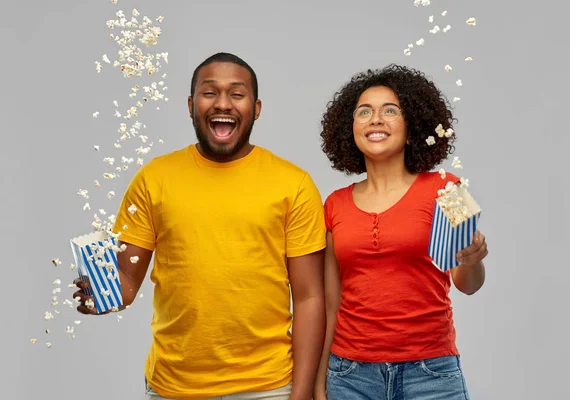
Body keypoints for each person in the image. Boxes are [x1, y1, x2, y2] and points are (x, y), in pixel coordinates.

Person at [73, 52, 327, 400]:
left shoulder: (293, 184)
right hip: (174, 387)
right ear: (191, 104)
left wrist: (301, 394)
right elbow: (128, 281)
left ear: (256, 108)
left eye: (237, 94)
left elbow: (310, 296)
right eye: (210, 93)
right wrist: (101, 296)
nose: (223, 103)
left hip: (269, 386)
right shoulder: (154, 178)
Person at [313, 64, 489, 400]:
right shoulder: (334, 205)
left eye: (390, 110)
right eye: (364, 112)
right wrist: (321, 381)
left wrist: (473, 259)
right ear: (350, 129)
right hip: (350, 376)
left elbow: (469, 284)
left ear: (410, 129)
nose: (375, 119)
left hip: (431, 374)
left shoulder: (448, 189)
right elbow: (331, 305)